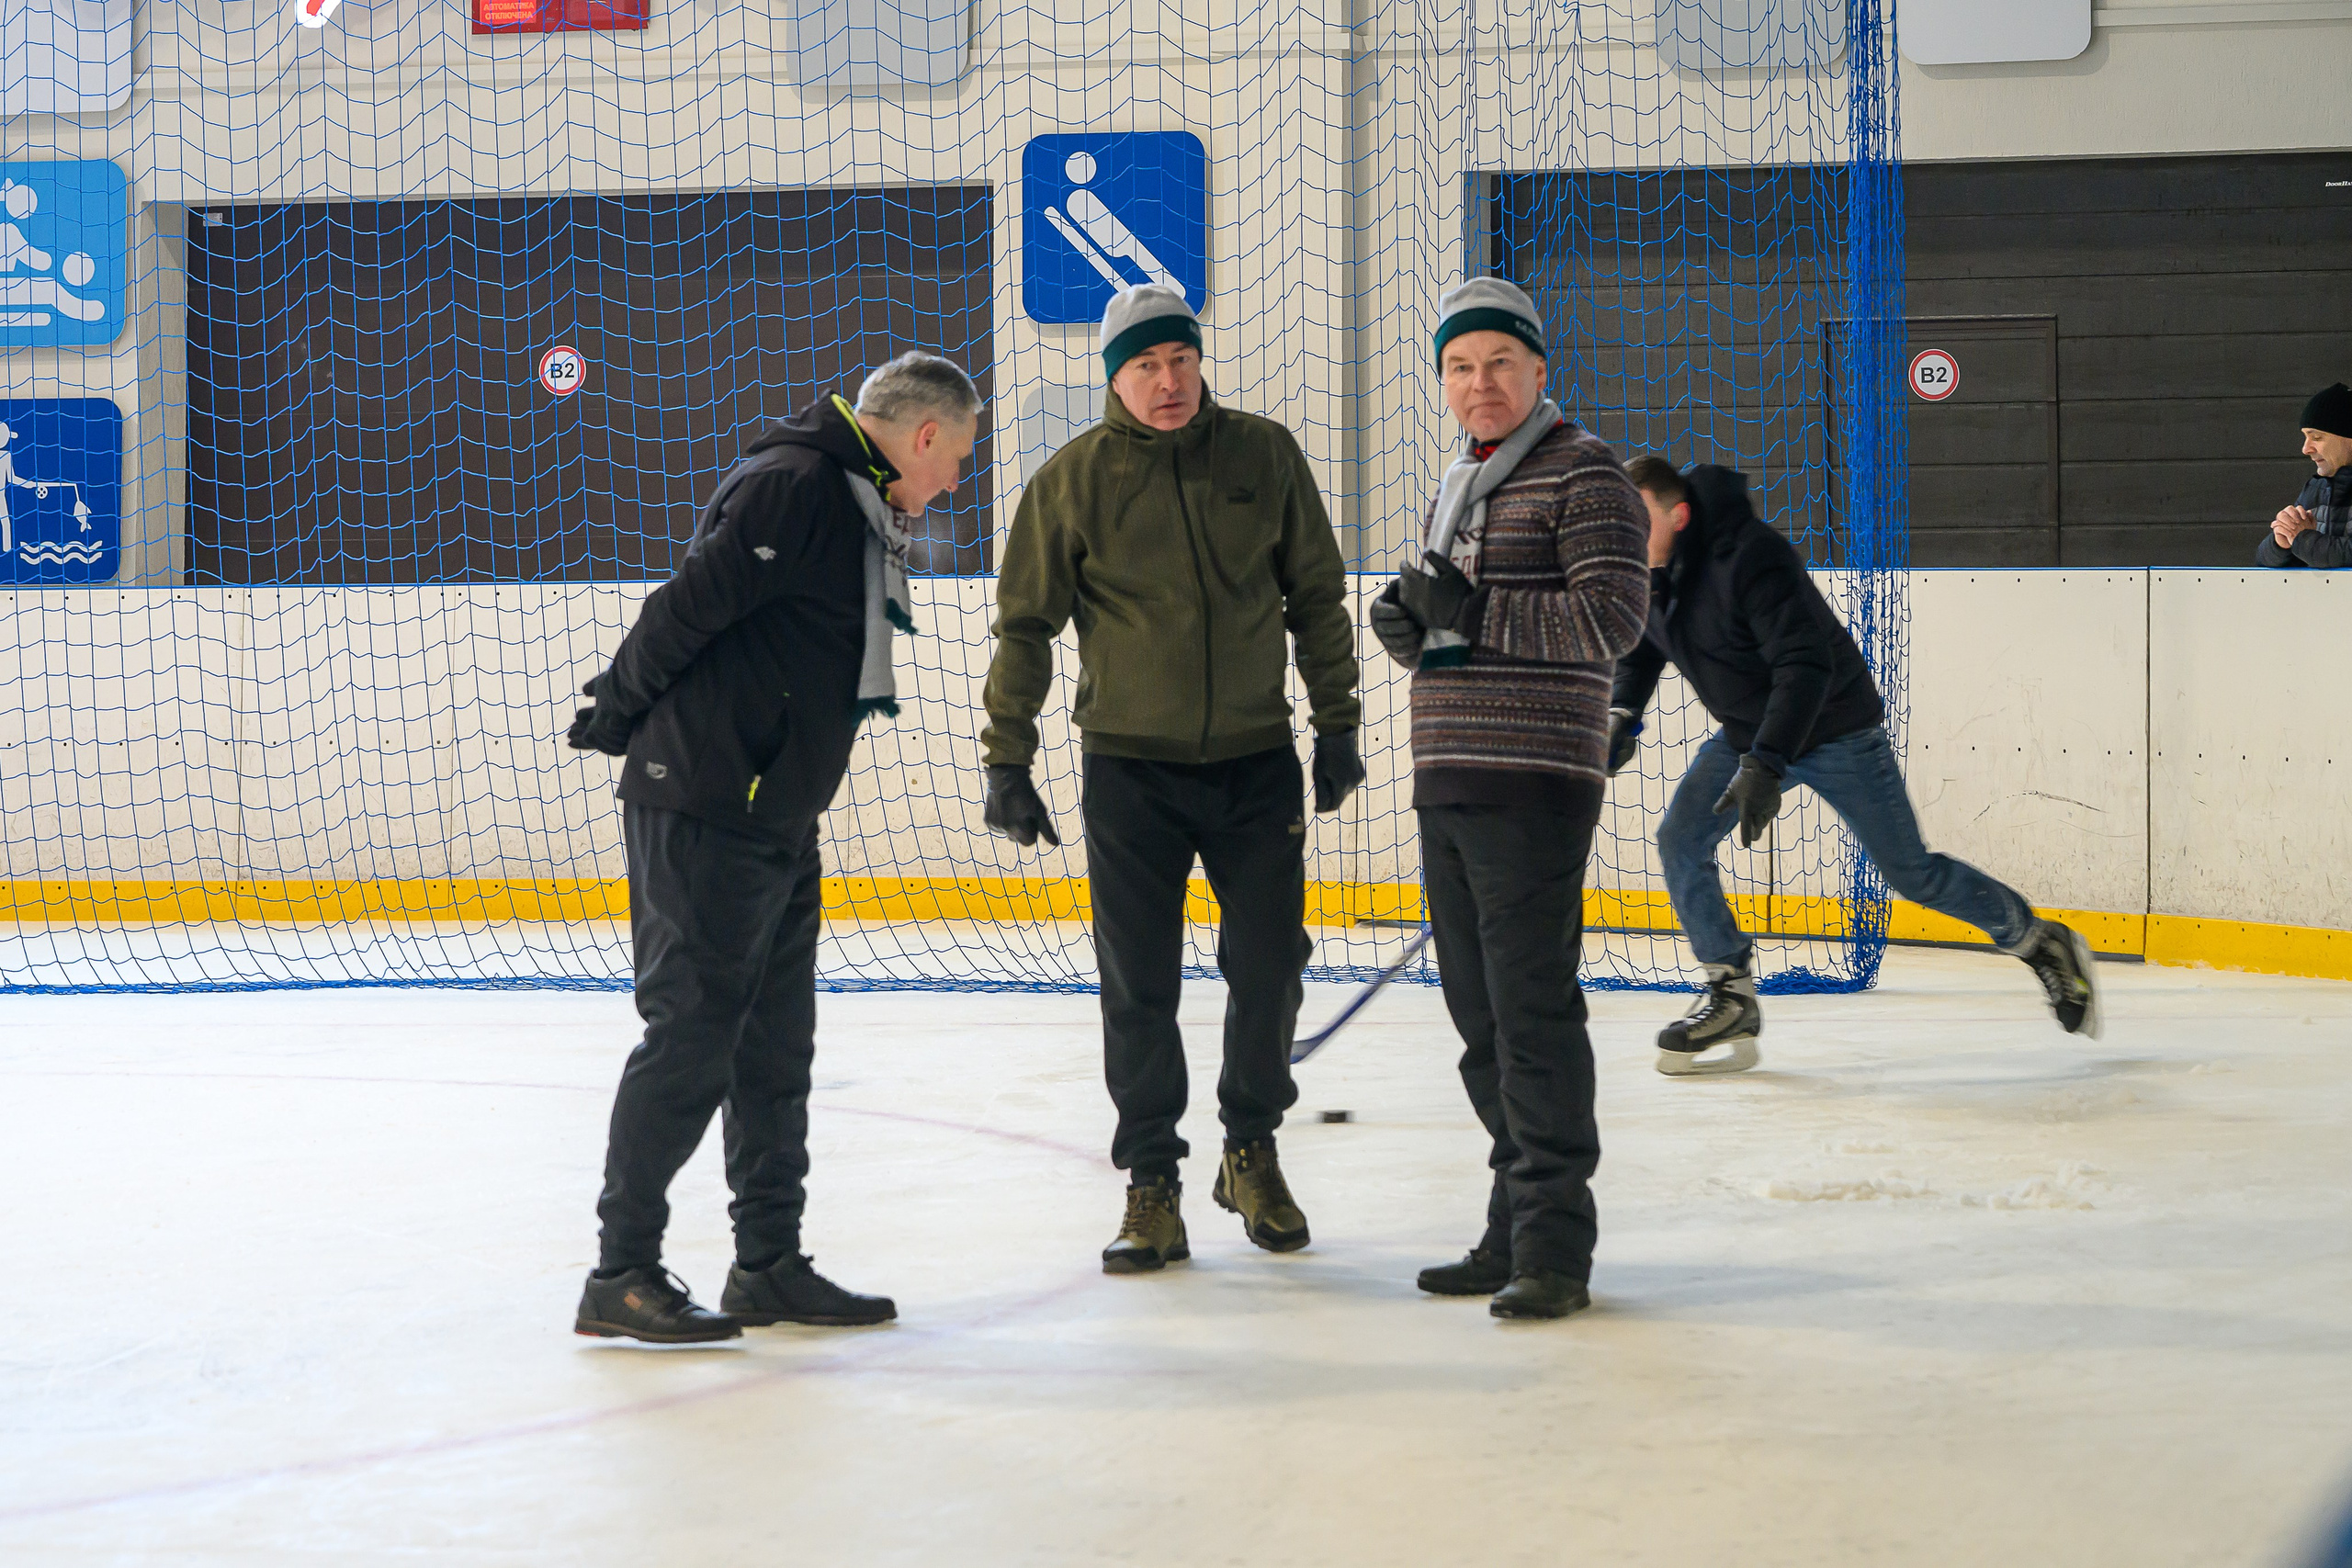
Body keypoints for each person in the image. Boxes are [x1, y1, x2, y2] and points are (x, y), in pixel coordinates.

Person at [564, 352, 981, 1342]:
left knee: (772, 1045)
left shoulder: (848, 496)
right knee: (694, 1036)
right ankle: (620, 1272)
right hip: (710, 799)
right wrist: (618, 712)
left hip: (772, 810)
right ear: (923, 436)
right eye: (959, 457)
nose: (959, 479)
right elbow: (688, 605)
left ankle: (768, 1263)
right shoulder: (798, 486)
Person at [980, 282, 1363, 1275]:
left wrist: (1337, 726)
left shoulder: (1264, 454)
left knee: (1271, 965)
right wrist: (1007, 761)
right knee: (1138, 984)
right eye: (1145, 365)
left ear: (1200, 360)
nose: (1167, 380)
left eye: (1180, 359)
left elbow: (1316, 598)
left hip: (1254, 761)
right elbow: (1026, 624)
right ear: (1114, 375)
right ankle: (1151, 1180)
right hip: (1129, 771)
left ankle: (1252, 1149)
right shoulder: (1073, 479)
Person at [1609, 457, 2102, 1077]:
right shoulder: (1647, 567)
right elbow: (1642, 645)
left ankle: (2037, 940)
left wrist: (1765, 763)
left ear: (1677, 515)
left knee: (1912, 873)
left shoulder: (1750, 557)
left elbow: (1805, 665)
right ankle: (1730, 993)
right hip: (1747, 733)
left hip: (1834, 728)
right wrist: (1620, 711)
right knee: (1680, 837)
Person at [1366, 277, 1649, 1322]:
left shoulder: (1589, 476)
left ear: (1538, 370)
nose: (1477, 383)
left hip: (1532, 783)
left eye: (1496, 363)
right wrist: (1417, 633)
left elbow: (1612, 621)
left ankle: (1555, 1251)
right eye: (1457, 367)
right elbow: (1461, 626)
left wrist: (1471, 613)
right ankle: (1508, 1229)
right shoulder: (1458, 482)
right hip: (1449, 774)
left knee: (1530, 1016)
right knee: (1479, 1023)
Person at [2255, 383, 2352, 569]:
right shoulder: (2317, 488)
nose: (2306, 449)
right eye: (2305, 437)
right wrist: (2280, 543)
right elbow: (2262, 562)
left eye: (2316, 438)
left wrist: (2303, 539)